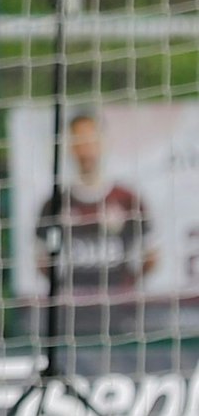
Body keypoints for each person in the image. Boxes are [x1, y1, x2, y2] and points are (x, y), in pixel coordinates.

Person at [34, 110, 157, 322]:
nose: (86, 149)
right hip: (72, 316)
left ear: (102, 142)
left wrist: (126, 287)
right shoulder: (54, 204)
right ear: (70, 147)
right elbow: (42, 259)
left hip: (122, 315)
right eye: (79, 141)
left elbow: (152, 255)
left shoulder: (127, 199)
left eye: (90, 139)